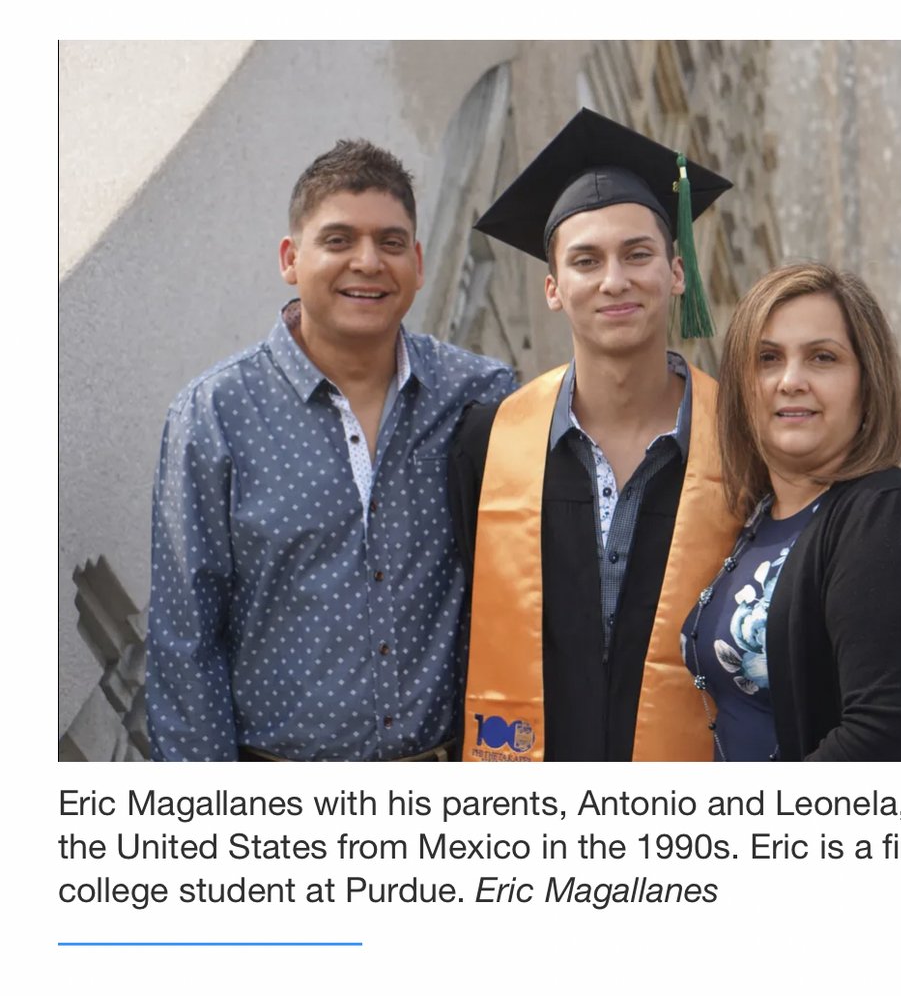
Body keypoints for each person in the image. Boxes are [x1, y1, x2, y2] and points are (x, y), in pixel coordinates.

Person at [146, 139, 516, 761]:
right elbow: (186, 641)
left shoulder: (480, 398)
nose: (368, 262)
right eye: (339, 240)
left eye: (391, 243)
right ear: (292, 258)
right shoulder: (216, 414)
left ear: (418, 264)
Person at [449, 109, 742, 761]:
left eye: (638, 254)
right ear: (554, 288)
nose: (615, 279)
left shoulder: (744, 443)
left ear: (676, 273)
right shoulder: (490, 444)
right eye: (587, 260)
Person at [681, 262, 901, 761]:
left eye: (822, 358)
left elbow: (882, 742)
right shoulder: (759, 519)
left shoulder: (893, 519)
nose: (791, 380)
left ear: (867, 383)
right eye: (767, 358)